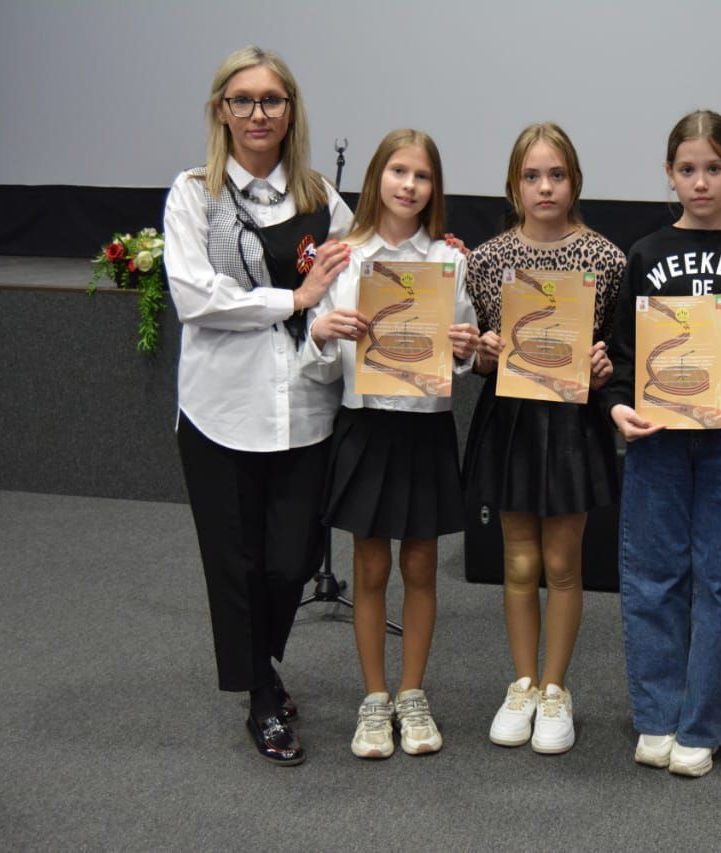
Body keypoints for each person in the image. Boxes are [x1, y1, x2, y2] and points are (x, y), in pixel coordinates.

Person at [163, 46, 353, 765]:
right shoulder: (194, 194)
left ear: (290, 111)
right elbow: (195, 297)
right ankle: (261, 695)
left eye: (271, 99)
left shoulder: (320, 198)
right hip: (221, 412)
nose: (257, 113)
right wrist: (293, 299)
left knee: (291, 562)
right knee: (237, 567)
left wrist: (433, 257)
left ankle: (260, 669)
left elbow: (357, 272)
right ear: (221, 110)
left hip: (305, 409)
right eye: (241, 100)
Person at [606, 110, 721, 777]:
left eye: (714, 168)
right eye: (688, 169)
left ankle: (704, 724)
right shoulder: (646, 252)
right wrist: (616, 404)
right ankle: (657, 713)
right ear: (669, 174)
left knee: (720, 571)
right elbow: (621, 352)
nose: (701, 181)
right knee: (652, 567)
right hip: (658, 410)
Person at [301, 129, 479, 759]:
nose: (409, 185)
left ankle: (412, 693)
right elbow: (318, 367)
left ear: (435, 188)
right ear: (376, 176)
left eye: (422, 176)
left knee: (422, 567)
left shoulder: (450, 261)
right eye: (399, 171)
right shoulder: (343, 257)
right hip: (366, 426)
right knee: (371, 568)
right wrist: (323, 332)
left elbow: (463, 355)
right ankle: (374, 698)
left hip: (425, 429)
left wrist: (464, 349)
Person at [464, 122, 624, 755]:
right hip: (512, 421)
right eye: (532, 176)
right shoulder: (485, 261)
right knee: (519, 561)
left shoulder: (607, 260)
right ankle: (523, 684)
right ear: (514, 185)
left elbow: (618, 356)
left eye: (557, 175)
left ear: (574, 181)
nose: (545, 187)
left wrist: (607, 368)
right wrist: (482, 354)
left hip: (572, 423)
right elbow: (479, 356)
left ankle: (556, 689)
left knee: (561, 563)